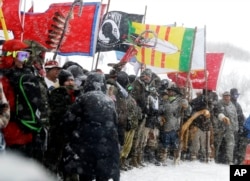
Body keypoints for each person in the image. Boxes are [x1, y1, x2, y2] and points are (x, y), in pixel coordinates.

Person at [62, 72, 120, 181]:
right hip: (106, 147)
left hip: (86, 146)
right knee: (102, 175)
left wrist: (70, 136)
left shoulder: (82, 99)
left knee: (85, 175)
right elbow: (116, 124)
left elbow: (69, 121)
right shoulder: (109, 101)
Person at [1, 39, 47, 163]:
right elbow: (6, 106)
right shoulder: (4, 79)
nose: (24, 59)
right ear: (10, 55)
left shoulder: (24, 74)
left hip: (26, 132)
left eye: (26, 55)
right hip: (12, 135)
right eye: (21, 55)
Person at [45, 69, 81, 180]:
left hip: (70, 137)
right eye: (68, 80)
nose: (71, 83)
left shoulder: (75, 95)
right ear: (62, 82)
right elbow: (58, 114)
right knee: (54, 162)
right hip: (58, 134)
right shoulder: (57, 94)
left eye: (72, 80)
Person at [214, 91, 238, 165]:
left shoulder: (232, 106)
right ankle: (214, 158)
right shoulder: (219, 104)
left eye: (228, 96)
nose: (227, 97)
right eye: (225, 96)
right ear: (223, 96)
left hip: (230, 129)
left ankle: (229, 160)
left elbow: (235, 117)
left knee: (230, 144)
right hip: (220, 128)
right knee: (217, 143)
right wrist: (222, 118)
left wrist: (235, 128)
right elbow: (216, 114)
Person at [230, 88, 247, 164]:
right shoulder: (229, 104)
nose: (236, 96)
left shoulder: (238, 105)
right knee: (231, 145)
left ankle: (236, 159)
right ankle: (230, 159)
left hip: (237, 128)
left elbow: (241, 117)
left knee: (237, 145)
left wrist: (241, 127)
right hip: (229, 128)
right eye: (235, 95)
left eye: (237, 95)